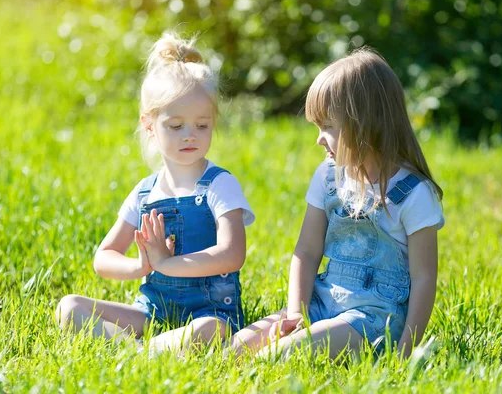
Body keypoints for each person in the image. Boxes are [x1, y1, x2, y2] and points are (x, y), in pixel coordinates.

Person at [230, 47, 444, 359]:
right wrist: (296, 314)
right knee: (238, 347)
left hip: (371, 320)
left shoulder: (413, 194)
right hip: (322, 301)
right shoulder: (329, 177)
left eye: (328, 127)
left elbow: (424, 278)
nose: (319, 138)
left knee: (279, 356)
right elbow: (306, 251)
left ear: (366, 124)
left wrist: (406, 349)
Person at [56, 32, 255, 353]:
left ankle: (131, 351)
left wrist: (167, 263)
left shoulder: (220, 183)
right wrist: (141, 267)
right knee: (70, 306)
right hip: (153, 312)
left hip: (208, 312)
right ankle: (150, 351)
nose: (190, 135)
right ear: (149, 125)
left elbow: (232, 254)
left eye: (202, 125)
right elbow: (103, 259)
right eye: (176, 126)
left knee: (210, 329)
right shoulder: (145, 192)